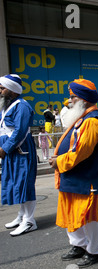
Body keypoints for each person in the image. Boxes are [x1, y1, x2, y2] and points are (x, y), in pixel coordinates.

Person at [49, 79, 98, 268]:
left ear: (83, 98)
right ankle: (79, 245)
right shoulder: (82, 118)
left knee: (88, 216)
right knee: (71, 212)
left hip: (86, 178)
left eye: (73, 96)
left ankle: (94, 250)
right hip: (72, 177)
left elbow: (82, 152)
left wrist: (58, 161)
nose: (70, 100)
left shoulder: (91, 121)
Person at [0, 74, 38, 236]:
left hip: (21, 150)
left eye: (2, 88)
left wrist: (5, 148)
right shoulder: (7, 106)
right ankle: (22, 215)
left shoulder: (22, 106)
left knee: (25, 184)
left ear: (13, 91)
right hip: (12, 151)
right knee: (17, 184)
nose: (0, 91)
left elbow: (20, 131)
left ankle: (29, 221)